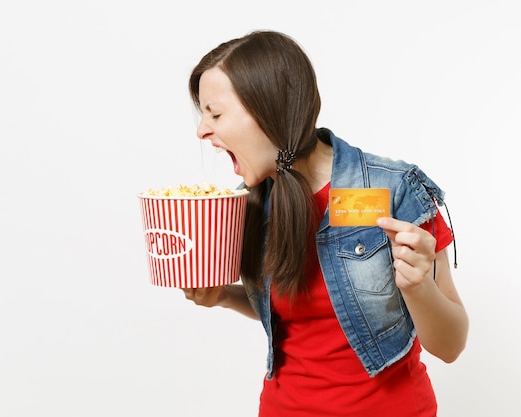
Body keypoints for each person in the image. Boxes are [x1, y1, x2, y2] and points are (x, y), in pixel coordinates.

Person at [182, 30, 469, 416]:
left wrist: (417, 288)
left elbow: (450, 345)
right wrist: (225, 296)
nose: (202, 130)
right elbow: (303, 311)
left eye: (215, 113)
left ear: (269, 108)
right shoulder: (247, 203)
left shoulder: (392, 189)